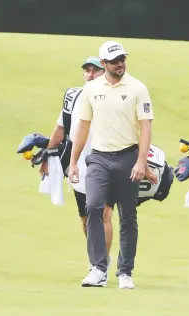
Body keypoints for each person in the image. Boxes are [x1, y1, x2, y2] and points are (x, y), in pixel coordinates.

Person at [69, 40, 154, 289]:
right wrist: (73, 162)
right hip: (99, 158)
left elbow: (146, 127)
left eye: (122, 59)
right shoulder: (91, 89)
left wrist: (141, 161)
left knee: (127, 216)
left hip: (128, 156)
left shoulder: (138, 88)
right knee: (94, 207)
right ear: (103, 63)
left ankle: (125, 272)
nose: (120, 64)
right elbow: (83, 126)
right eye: (115, 61)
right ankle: (98, 268)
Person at [40, 56, 116, 267]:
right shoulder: (73, 97)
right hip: (79, 166)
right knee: (86, 218)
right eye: (87, 70)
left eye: (96, 70)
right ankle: (100, 257)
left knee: (104, 214)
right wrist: (47, 157)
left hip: (108, 163)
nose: (90, 74)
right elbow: (61, 128)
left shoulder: (114, 97)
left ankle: (100, 264)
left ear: (105, 72)